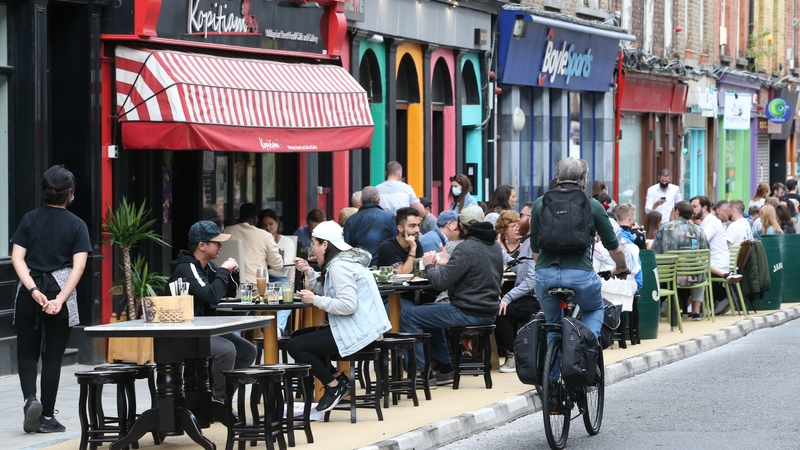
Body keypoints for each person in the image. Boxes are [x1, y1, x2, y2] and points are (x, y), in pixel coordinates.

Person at [11, 165, 91, 433]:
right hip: (59, 291)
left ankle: (29, 399)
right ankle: (46, 416)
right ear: (70, 193)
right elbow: (79, 266)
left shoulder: (29, 219)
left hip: (29, 291)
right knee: (53, 356)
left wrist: (33, 290)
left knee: (26, 352)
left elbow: (17, 259)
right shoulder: (77, 224)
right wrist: (60, 299)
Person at [288, 221, 391, 412]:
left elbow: (347, 305)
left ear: (325, 245)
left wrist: (315, 299)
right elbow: (330, 292)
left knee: (295, 346)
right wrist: (309, 272)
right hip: (362, 329)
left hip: (360, 333)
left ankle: (334, 386)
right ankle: (336, 379)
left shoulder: (340, 267)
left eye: (314, 243)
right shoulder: (344, 262)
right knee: (297, 337)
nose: (312, 249)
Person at [401, 204, 503, 384]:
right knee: (429, 310)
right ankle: (445, 368)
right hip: (488, 311)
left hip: (468, 311)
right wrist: (449, 263)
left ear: (461, 226)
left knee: (408, 315)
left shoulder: (466, 248)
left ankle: (421, 374)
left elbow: (440, 283)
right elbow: (475, 273)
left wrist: (430, 265)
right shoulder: (494, 245)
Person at [529, 157, 628, 340]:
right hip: (580, 276)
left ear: (558, 179)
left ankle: (551, 354)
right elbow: (614, 248)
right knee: (594, 309)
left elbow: (535, 249)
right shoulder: (593, 205)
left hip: (545, 275)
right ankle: (586, 347)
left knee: (552, 324)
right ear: (584, 182)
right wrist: (621, 268)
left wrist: (547, 272)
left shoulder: (540, 204)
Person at [169, 221, 257, 401]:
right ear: (202, 245)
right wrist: (223, 270)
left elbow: (227, 294)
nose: (221, 246)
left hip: (203, 329)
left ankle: (220, 398)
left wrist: (232, 274)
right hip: (182, 333)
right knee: (226, 350)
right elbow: (212, 295)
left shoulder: (209, 266)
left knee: (248, 351)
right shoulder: (186, 267)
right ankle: (218, 402)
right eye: (217, 242)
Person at [652, 201, 710, 320]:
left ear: (677, 211)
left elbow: (655, 251)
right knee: (700, 269)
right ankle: (696, 311)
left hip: (670, 275)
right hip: (694, 275)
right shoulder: (699, 230)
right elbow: (705, 252)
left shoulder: (664, 228)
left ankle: (659, 309)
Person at [258, 208, 297, 335]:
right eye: (264, 225)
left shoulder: (287, 242)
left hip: (279, 279)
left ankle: (277, 329)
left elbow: (286, 265)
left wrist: (268, 262)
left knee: (286, 298)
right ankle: (256, 331)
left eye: (271, 224)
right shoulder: (259, 240)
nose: (268, 228)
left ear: (277, 223)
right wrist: (275, 261)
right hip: (262, 279)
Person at [225, 203, 283, 284]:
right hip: (257, 285)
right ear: (256, 220)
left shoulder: (227, 231)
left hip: (232, 284)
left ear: (239, 218)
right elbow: (277, 265)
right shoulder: (265, 235)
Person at [342, 186, 396, 267]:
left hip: (359, 265)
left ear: (361, 200)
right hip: (382, 266)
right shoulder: (390, 218)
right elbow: (395, 243)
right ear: (379, 200)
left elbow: (346, 246)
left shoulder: (351, 220)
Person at [690, 196, 741, 284]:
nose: (692, 210)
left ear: (704, 208)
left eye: (694, 207)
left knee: (685, 270)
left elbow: (702, 240)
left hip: (717, 264)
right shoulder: (705, 222)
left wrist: (690, 223)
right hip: (712, 263)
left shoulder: (712, 222)